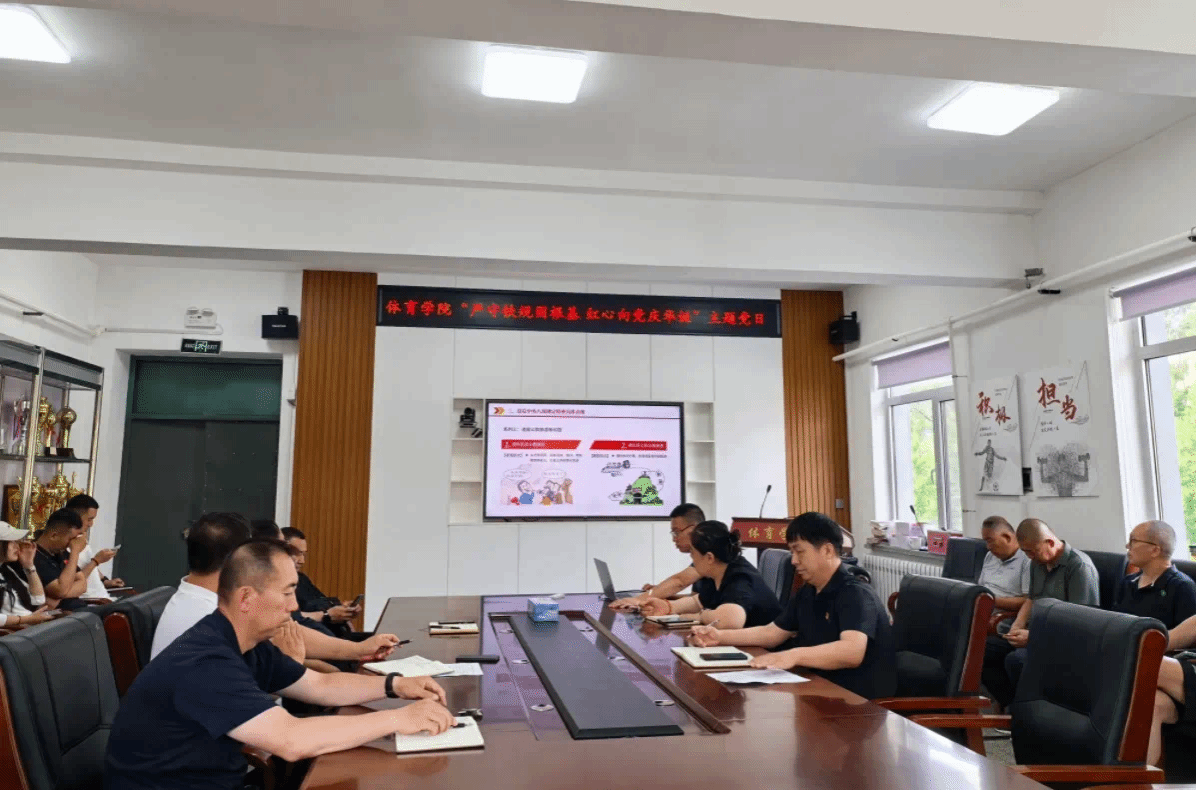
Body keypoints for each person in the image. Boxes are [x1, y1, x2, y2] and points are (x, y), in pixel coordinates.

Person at [104, 539, 455, 790]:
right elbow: (290, 739)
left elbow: (319, 686)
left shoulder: (244, 641)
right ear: (246, 598)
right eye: (287, 592)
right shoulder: (204, 661)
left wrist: (395, 685)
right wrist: (399, 719)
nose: (294, 606)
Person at [689, 512, 897, 699]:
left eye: (799, 552)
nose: (793, 561)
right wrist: (719, 637)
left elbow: (852, 652)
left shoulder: (855, 593)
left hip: (858, 702)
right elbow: (772, 633)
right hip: (820, 689)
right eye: (791, 552)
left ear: (827, 550)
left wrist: (794, 655)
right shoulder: (809, 591)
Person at [151, 512, 401, 666]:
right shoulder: (208, 618)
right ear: (236, 560)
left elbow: (289, 634)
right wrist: (293, 665)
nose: (293, 605)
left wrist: (358, 649)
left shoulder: (213, 600)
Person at [981, 518, 1100, 709]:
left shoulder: (1079, 567)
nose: (1029, 557)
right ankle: (1013, 706)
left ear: (1050, 543)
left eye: (1031, 551)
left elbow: (1082, 623)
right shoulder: (1037, 562)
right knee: (981, 650)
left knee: (1016, 660)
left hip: (1064, 639)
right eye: (1025, 552)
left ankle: (1027, 709)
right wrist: (1017, 625)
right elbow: (1031, 599)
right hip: (1036, 631)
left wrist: (1033, 637)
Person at [638, 521, 781, 628]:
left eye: (693, 552)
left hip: (766, 652)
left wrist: (699, 616)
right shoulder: (718, 572)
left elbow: (730, 620)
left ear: (709, 558)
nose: (691, 558)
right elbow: (698, 601)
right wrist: (668, 607)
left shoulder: (739, 578)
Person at [608, 503, 705, 611]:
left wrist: (638, 599)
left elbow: (680, 581)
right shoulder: (701, 555)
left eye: (677, 532)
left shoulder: (709, 552)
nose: (674, 539)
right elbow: (696, 600)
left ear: (693, 529)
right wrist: (659, 594)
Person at [1114, 520, 1196, 629]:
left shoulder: (1182, 587)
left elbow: (1188, 636)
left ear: (1155, 550)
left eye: (1133, 541)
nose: (1128, 546)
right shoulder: (1128, 582)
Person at [281, 526, 361, 631]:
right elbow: (292, 616)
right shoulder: (275, 584)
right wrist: (327, 615)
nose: (302, 561)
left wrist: (343, 609)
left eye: (303, 554)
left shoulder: (302, 579)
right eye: (297, 554)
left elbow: (319, 602)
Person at [34, 507, 114, 610]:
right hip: (64, 615)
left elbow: (82, 584)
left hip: (81, 609)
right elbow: (60, 590)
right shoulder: (35, 556)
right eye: (71, 539)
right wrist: (75, 552)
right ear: (54, 536)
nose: (72, 544)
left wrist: (58, 596)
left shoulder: (61, 552)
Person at [66, 494, 125, 597]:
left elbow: (86, 564)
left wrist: (105, 581)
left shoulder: (81, 538)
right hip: (92, 602)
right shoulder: (64, 545)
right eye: (89, 519)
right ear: (75, 517)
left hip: (104, 598)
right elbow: (71, 583)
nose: (91, 524)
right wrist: (96, 561)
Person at [0, 522, 57, 627]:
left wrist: (29, 565)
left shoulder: (6, 570)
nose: (17, 546)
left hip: (26, 628)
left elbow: (38, 599)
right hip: (13, 632)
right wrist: (26, 620)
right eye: (11, 542)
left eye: (16, 541)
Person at [978, 515, 1031, 613]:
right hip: (980, 608)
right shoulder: (990, 555)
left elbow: (1028, 602)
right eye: (986, 542)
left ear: (1007, 537)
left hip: (1002, 614)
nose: (988, 547)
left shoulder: (1027, 559)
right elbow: (981, 586)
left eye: (990, 541)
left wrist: (989, 600)